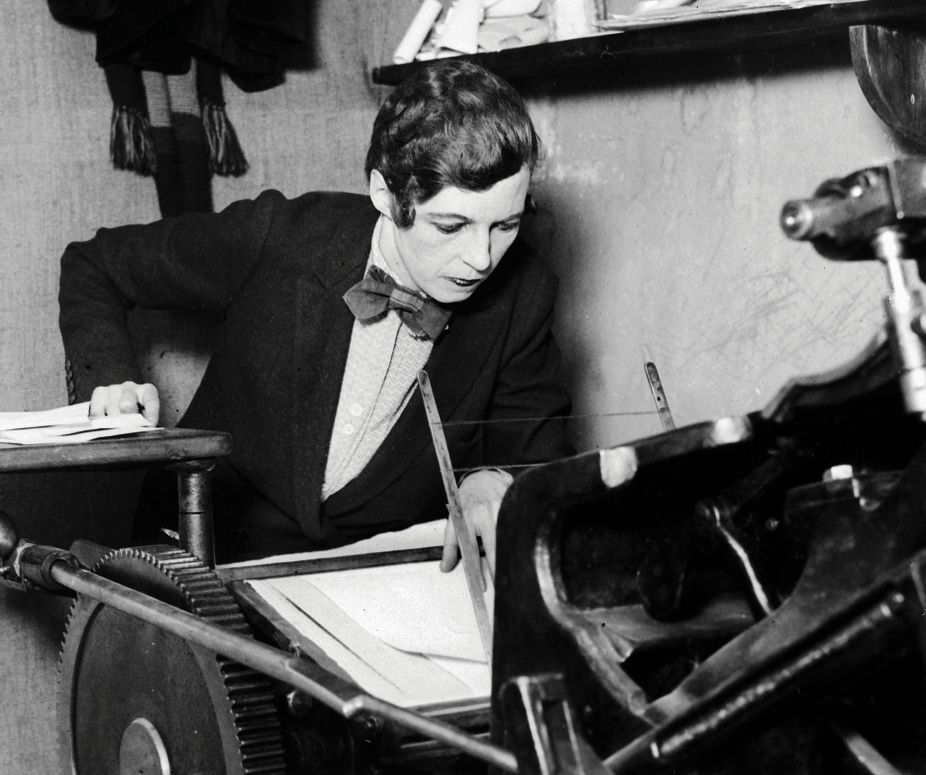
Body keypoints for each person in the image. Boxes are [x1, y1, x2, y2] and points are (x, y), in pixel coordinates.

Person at [59, 59, 572, 567]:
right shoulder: (281, 236)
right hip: (200, 547)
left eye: (505, 226)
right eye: (451, 227)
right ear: (385, 194)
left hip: (366, 575)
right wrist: (108, 379)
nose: (481, 258)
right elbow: (94, 263)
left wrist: (491, 480)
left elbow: (532, 456)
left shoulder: (526, 293)